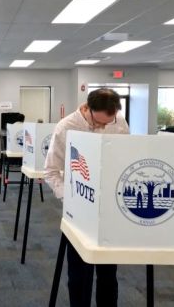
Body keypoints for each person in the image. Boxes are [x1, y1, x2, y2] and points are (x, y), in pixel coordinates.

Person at [44, 88, 129, 307]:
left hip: (109, 209)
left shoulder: (118, 121)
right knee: (79, 274)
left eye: (107, 124)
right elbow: (51, 171)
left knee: (109, 273)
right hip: (79, 210)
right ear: (87, 109)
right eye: (98, 123)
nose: (103, 127)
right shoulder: (66, 127)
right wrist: (69, 199)